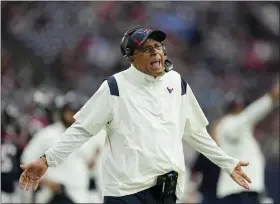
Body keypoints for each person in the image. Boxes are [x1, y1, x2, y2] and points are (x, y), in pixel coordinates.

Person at [19, 27, 252, 204]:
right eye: (147, 48)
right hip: (125, 192)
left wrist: (228, 163)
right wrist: (46, 160)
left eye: (158, 46)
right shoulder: (114, 87)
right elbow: (81, 130)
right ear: (132, 58)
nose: (156, 51)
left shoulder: (177, 82)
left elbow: (196, 133)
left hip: (165, 190)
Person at [20, 92, 98, 203]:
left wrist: (96, 156)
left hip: (80, 195)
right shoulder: (48, 134)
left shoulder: (85, 136)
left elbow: (89, 165)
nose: (73, 115)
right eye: (70, 111)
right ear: (62, 112)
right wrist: (46, 182)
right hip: (55, 193)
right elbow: (27, 159)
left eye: (77, 112)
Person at [215, 80, 279, 204]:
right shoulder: (230, 125)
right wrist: (270, 98)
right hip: (238, 193)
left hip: (240, 191)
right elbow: (249, 116)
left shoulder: (238, 133)